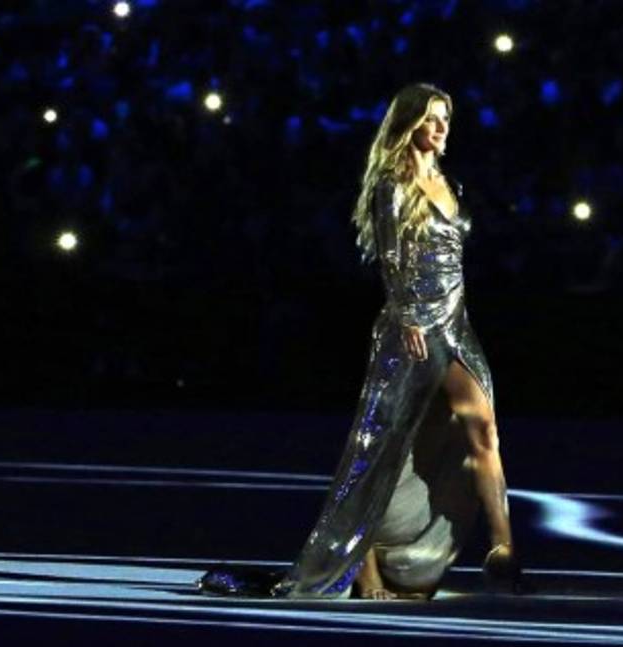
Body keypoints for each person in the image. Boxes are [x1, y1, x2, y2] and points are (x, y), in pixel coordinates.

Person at [199, 83, 527, 600]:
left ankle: (504, 551)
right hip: (410, 326)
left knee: (482, 427)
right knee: (382, 447)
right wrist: (407, 316)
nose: (441, 127)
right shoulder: (392, 186)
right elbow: (391, 260)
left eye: (445, 118)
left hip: (455, 323)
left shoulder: (451, 182)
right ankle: (365, 570)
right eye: (431, 118)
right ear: (409, 124)